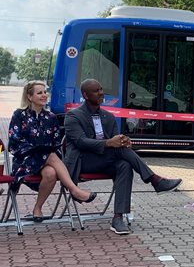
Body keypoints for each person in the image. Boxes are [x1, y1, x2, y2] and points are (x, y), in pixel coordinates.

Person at [64, 78, 183, 235]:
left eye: (101, 89)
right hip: (83, 161)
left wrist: (123, 141)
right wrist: (110, 143)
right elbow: (80, 142)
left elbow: (115, 141)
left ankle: (117, 218)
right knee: (120, 153)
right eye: (96, 91)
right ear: (85, 95)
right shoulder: (73, 116)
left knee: (125, 165)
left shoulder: (108, 116)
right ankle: (154, 180)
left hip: (105, 160)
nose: (101, 93)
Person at [8, 81, 97, 222]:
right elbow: (13, 142)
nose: (44, 95)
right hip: (25, 162)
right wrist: (35, 150)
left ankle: (37, 208)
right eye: (39, 93)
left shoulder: (51, 118)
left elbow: (56, 144)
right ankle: (74, 190)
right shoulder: (19, 115)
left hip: (46, 162)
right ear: (30, 97)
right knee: (49, 155)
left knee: (51, 172)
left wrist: (45, 150)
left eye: (45, 92)